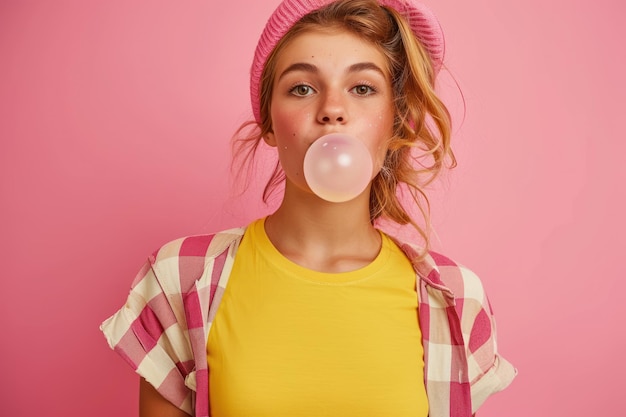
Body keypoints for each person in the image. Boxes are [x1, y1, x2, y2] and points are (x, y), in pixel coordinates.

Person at [100, 0, 516, 416]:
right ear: (268, 119)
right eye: (302, 88)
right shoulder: (180, 279)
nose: (332, 110)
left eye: (362, 88)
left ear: (397, 121)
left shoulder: (456, 298)